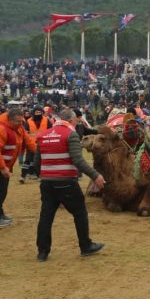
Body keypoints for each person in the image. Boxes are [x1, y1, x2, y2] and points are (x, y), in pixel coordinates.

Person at [33, 108, 106, 261]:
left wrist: (47, 173)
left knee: (46, 216)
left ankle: (42, 252)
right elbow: (77, 160)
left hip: (47, 183)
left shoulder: (43, 135)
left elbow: (36, 163)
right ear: (71, 121)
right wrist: (95, 176)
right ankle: (85, 246)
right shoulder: (70, 134)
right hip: (66, 182)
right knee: (80, 213)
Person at [0, 108, 36, 227]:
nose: (21, 123)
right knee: (0, 193)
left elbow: (30, 144)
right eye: (18, 121)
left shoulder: (19, 128)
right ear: (10, 120)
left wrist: (41, 153)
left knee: (2, 192)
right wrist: (2, 168)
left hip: (4, 166)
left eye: (22, 121)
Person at [20, 106, 52, 183]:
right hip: (31, 144)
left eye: (39, 112)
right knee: (28, 160)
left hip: (43, 144)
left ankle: (39, 175)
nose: (38, 114)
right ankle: (23, 176)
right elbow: (25, 133)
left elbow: (51, 131)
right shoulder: (28, 121)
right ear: (33, 113)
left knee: (41, 161)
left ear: (42, 113)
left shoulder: (47, 120)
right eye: (36, 112)